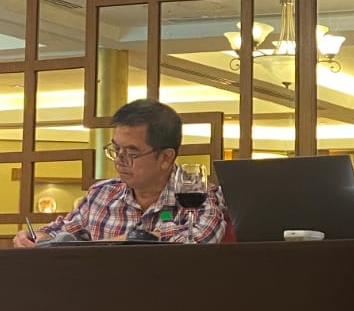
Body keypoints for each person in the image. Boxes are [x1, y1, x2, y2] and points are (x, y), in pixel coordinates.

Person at [14, 99, 227, 246]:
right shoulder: (102, 194)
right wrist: (34, 237)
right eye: (116, 150)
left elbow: (198, 240)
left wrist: (131, 239)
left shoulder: (199, 195)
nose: (119, 160)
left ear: (165, 158)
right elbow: (60, 232)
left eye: (132, 153)